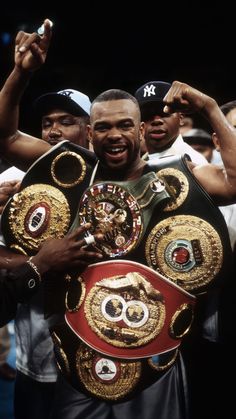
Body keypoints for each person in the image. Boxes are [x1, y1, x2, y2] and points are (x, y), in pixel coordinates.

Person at [1, 21, 236, 419]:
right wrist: (21, 73)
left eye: (125, 125)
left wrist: (210, 108)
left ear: (141, 131)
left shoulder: (174, 176)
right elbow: (6, 138)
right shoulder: (72, 171)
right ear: (90, 133)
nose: (115, 135)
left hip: (155, 356)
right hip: (77, 351)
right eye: (105, 127)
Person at [0, 22, 92, 419]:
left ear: (92, 130)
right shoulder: (15, 180)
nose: (54, 130)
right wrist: (38, 263)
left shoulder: (111, 174)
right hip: (33, 349)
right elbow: (4, 135)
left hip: (97, 354)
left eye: (67, 121)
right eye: (47, 123)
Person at [134, 81, 208, 165]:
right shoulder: (139, 163)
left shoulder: (195, 162)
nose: (156, 120)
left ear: (181, 117)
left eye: (164, 112)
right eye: (147, 114)